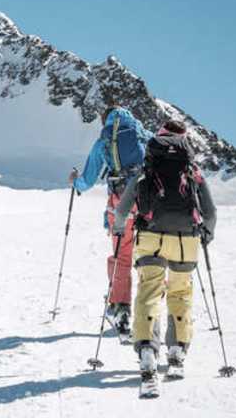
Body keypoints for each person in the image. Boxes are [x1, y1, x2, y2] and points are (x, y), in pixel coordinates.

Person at [112, 120, 218, 397]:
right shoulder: (191, 170)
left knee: (149, 292)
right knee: (180, 293)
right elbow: (210, 212)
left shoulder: (148, 166)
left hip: (151, 238)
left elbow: (123, 206)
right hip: (186, 240)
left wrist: (120, 226)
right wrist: (207, 234)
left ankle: (147, 351)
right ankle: (176, 352)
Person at [69, 105, 151, 341]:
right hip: (147, 203)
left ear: (105, 121)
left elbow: (87, 179)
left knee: (122, 255)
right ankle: (150, 310)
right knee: (150, 256)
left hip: (119, 203)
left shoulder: (104, 140)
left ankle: (121, 310)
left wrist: (75, 182)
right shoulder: (142, 133)